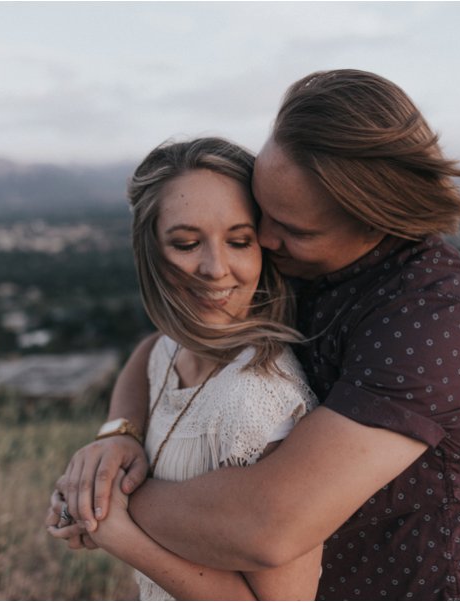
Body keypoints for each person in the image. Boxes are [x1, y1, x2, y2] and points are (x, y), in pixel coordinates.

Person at [51, 69, 460, 600]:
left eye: (292, 228)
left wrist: (100, 502)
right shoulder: (303, 264)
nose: (266, 241)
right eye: (263, 214)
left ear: (374, 221)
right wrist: (119, 435)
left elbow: (267, 524)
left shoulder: (431, 321)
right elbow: (159, 347)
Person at [47, 137, 321, 600]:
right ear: (150, 251)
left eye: (239, 241)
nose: (216, 268)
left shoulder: (257, 403)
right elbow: (150, 351)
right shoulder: (173, 350)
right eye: (187, 243)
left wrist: (114, 528)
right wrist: (119, 434)